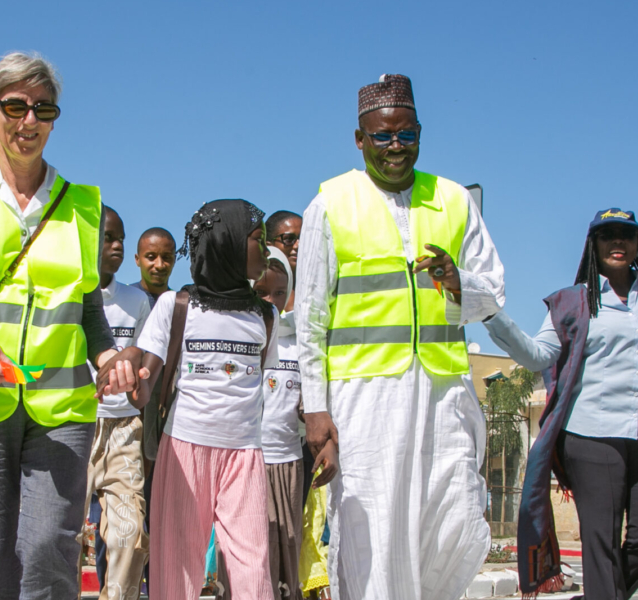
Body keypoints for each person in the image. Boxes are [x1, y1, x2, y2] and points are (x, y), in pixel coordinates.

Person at [0, 52, 135, 600]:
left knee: (48, 551)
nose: (29, 121)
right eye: (15, 107)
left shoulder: (83, 206)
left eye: (43, 109)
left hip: (61, 410)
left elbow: (87, 308)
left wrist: (109, 359)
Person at [295, 74, 505, 600]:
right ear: (360, 138)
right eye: (383, 136)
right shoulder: (331, 203)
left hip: (443, 393)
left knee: (451, 518)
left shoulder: (454, 200)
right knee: (374, 532)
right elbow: (311, 316)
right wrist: (316, 408)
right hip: (364, 399)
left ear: (420, 134)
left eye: (406, 135)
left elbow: (494, 291)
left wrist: (460, 282)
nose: (395, 148)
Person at [483, 208, 638, 600]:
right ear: (594, 245)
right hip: (591, 437)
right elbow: (539, 355)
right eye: (608, 235)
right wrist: (491, 316)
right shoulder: (576, 301)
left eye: (626, 235)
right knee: (600, 544)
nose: (617, 242)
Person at [131, 199, 278, 600]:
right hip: (184, 451)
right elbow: (148, 377)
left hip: (245, 455)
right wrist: (135, 383)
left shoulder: (265, 316)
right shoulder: (178, 306)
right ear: (226, 243)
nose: (265, 250)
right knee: (177, 567)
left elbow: (262, 380)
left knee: (253, 568)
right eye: (258, 240)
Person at [86, 205, 152, 600]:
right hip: (73, 426)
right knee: (57, 536)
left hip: (124, 428)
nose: (117, 245)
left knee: (129, 536)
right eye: (108, 237)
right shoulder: (65, 295)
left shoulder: (135, 300)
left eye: (121, 238)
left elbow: (144, 361)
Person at [253, 249, 301, 598]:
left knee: (288, 548)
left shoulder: (300, 341)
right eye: (262, 293)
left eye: (280, 293)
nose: (272, 301)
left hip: (289, 462)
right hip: (249, 460)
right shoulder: (242, 336)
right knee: (255, 551)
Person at [134, 228, 178, 303]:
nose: (159, 265)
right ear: (137, 260)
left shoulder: (180, 304)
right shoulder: (123, 298)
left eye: (166, 257)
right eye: (151, 257)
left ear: (174, 260)